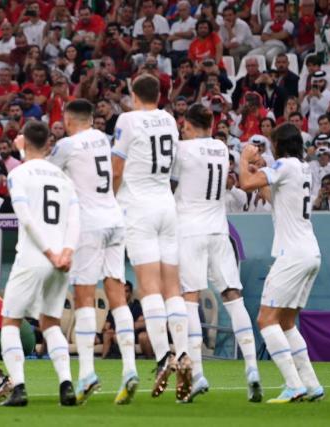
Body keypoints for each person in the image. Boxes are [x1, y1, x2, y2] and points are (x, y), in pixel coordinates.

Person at [48, 99, 138, 405]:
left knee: (84, 295)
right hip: (115, 218)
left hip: (88, 224)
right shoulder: (103, 138)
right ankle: (129, 369)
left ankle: (86, 372)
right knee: (117, 293)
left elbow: (44, 176)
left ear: (68, 120)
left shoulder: (66, 146)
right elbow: (114, 173)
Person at [172, 103, 262, 403]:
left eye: (184, 124)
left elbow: (169, 185)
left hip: (190, 230)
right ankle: (252, 368)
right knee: (233, 297)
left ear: (188, 124)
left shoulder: (182, 150)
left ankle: (197, 373)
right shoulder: (222, 149)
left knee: (190, 298)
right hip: (219, 229)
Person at [111, 74, 192, 403]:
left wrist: (109, 203)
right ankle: (184, 352)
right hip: (166, 205)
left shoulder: (127, 119)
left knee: (148, 287)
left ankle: (163, 357)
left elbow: (116, 170)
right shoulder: (170, 119)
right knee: (173, 287)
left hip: (138, 207)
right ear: (159, 94)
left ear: (133, 94)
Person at [239, 123, 324, 403]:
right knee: (286, 322)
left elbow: (246, 185)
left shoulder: (285, 166)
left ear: (280, 144)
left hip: (292, 255)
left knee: (265, 319)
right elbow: (271, 195)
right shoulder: (302, 168)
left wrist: (243, 161)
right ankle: (311, 384)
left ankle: (293, 384)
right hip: (310, 253)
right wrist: (260, 168)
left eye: (273, 142)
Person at [0, 121, 80, 407]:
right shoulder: (63, 177)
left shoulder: (18, 174)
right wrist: (66, 252)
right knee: (51, 323)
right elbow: (74, 219)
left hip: (36, 256)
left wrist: (48, 253)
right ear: (49, 143)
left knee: (10, 320)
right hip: (62, 260)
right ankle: (66, 385)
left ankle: (19, 388)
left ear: (23, 142)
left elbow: (26, 216)